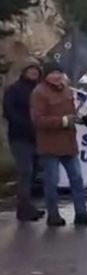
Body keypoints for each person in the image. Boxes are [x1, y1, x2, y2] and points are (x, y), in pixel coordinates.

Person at [30, 61, 87, 227]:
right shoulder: (39, 93)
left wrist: (82, 120)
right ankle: (53, 215)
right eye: (52, 73)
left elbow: (72, 114)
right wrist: (63, 121)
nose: (56, 76)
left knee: (77, 179)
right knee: (51, 182)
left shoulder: (67, 90)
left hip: (69, 143)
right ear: (46, 75)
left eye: (59, 72)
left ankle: (81, 213)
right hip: (50, 145)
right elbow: (38, 120)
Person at [3, 58, 45, 222]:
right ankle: (23, 207)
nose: (34, 72)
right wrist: (27, 126)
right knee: (25, 171)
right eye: (30, 69)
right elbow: (9, 111)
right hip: (20, 137)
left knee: (34, 172)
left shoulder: (40, 90)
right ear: (24, 71)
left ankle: (28, 206)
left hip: (38, 137)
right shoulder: (14, 90)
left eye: (36, 70)